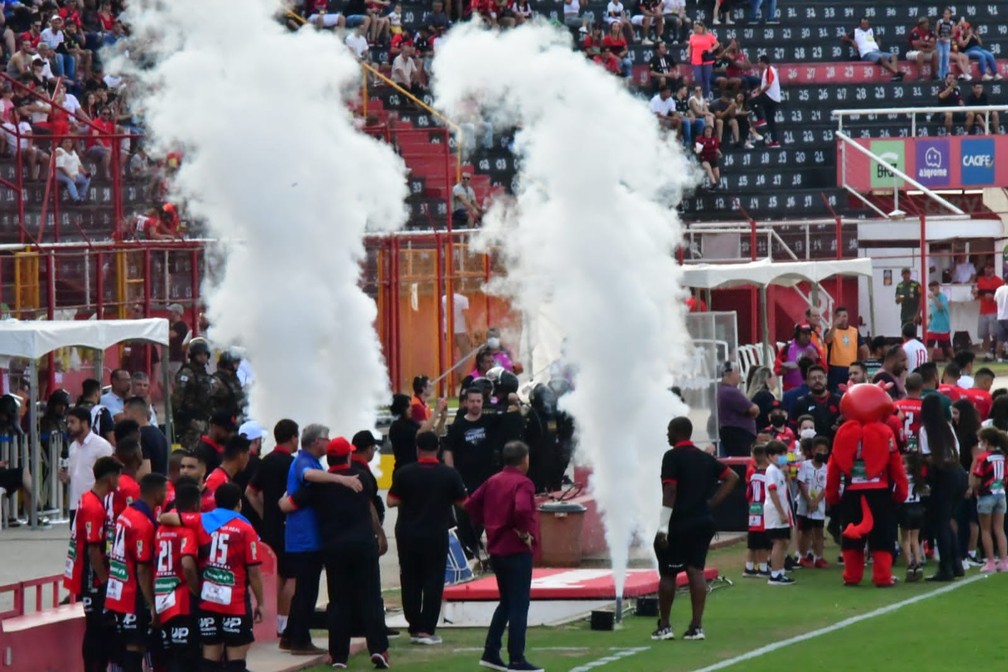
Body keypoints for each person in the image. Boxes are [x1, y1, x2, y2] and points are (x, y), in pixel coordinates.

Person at [280, 437, 391, 669]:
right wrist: (379, 534)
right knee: (371, 598)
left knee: (338, 602)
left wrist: (283, 497)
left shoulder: (318, 485)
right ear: (349, 456)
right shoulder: (362, 479)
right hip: (363, 545)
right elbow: (370, 507)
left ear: (328, 459)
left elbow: (287, 505)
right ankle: (379, 648)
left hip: (334, 548)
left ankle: (338, 655)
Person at [652, 417, 738, 638]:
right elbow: (732, 477)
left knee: (669, 573)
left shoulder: (671, 457)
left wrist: (663, 526)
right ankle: (696, 626)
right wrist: (711, 504)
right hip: (703, 521)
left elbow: (670, 491)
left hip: (680, 522)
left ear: (678, 432)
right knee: (695, 570)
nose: (666, 435)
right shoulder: (704, 458)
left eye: (669, 430)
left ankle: (665, 626)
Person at [283, 423, 364, 656]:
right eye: (326, 438)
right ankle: (299, 640)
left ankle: (290, 636)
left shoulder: (311, 462)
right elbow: (307, 476)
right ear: (316, 441)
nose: (328, 442)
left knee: (305, 591)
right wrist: (342, 480)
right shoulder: (304, 463)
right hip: (305, 539)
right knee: (307, 592)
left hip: (307, 537)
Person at [467, 441, 541, 672]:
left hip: (497, 549)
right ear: (524, 460)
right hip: (516, 550)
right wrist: (523, 533)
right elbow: (520, 509)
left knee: (507, 603)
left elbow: (470, 505)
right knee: (519, 605)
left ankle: (491, 651)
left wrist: (490, 524)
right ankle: (516, 658)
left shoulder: (494, 480)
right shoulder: (523, 483)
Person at [388, 430, 468, 644]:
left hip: (408, 533)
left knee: (410, 578)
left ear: (417, 449)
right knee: (433, 580)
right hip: (435, 533)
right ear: (438, 449)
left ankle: (413, 624)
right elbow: (463, 503)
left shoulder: (404, 473)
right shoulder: (449, 474)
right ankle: (427, 628)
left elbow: (391, 501)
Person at [826, 383, 908, 587]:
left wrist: (833, 496)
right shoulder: (885, 432)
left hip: (852, 493)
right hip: (880, 493)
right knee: (882, 535)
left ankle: (852, 575)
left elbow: (833, 467)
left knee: (852, 534)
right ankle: (882, 576)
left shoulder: (842, 433)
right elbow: (896, 465)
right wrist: (901, 493)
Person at [444, 385, 524, 555]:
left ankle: (482, 548)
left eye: (478, 401)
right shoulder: (458, 426)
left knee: (485, 517)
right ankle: (468, 551)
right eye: (472, 401)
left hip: (487, 481)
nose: (475, 404)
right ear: (466, 403)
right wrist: (452, 476)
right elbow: (448, 451)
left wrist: (514, 401)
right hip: (464, 480)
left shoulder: (491, 421)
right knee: (465, 519)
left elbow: (515, 417)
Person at [64, 456, 122, 672]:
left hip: (92, 577)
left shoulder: (91, 500)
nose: (120, 481)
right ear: (110, 478)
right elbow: (92, 549)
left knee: (102, 628)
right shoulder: (93, 507)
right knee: (96, 628)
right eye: (118, 475)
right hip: (91, 579)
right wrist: (105, 581)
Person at [105, 473, 166, 672]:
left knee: (127, 645)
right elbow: (143, 570)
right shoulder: (143, 524)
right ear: (157, 493)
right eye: (164, 490)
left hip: (117, 590)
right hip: (132, 594)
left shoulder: (125, 514)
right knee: (135, 645)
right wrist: (152, 604)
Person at [246, 418, 299, 642]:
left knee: (276, 573)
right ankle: (284, 623)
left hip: (270, 527)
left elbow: (250, 491)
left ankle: (271, 622)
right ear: (293, 438)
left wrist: (264, 514)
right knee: (293, 577)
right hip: (291, 526)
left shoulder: (265, 461)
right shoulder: (293, 464)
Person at [154, 478, 202, 672]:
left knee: (169, 655)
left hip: (162, 597)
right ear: (195, 504)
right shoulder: (187, 529)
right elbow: (188, 565)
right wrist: (196, 591)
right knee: (186, 657)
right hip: (181, 601)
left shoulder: (161, 527)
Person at [62, 406, 113, 525]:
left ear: (85, 423)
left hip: (95, 506)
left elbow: (109, 478)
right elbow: (75, 475)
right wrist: (66, 477)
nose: (69, 426)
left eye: (72, 422)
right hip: (75, 505)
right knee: (76, 543)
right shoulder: (73, 447)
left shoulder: (101, 446)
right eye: (67, 422)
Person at [971, 427, 1008, 572]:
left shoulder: (983, 457)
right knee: (999, 529)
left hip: (986, 495)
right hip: (1000, 494)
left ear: (986, 441)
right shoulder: (1002, 455)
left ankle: (990, 561)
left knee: (985, 530)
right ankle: (1004, 560)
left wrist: (973, 487)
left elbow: (978, 479)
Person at [171, 338, 214, 450]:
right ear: (193, 355)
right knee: (191, 452)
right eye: (199, 354)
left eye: (205, 354)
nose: (203, 357)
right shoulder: (187, 373)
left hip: (203, 419)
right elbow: (177, 400)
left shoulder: (203, 373)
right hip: (190, 422)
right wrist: (183, 420)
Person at [389, 393, 448, 473]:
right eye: (408, 406)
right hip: (404, 470)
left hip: (416, 469)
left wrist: (442, 419)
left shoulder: (411, 422)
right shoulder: (398, 426)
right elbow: (421, 433)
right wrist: (436, 411)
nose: (411, 408)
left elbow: (432, 435)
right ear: (402, 408)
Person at [762, 440, 795, 585]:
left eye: (784, 454)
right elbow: (773, 491)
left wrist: (787, 474)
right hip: (775, 511)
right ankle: (775, 574)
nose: (783, 457)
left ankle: (780, 571)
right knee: (778, 542)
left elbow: (788, 488)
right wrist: (781, 513)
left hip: (783, 509)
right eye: (779, 454)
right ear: (770, 456)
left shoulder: (779, 470)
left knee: (784, 541)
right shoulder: (771, 470)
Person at [796, 437, 828, 568]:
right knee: (805, 531)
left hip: (819, 505)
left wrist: (816, 501)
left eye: (825, 450)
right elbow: (801, 482)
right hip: (805, 505)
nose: (822, 453)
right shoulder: (805, 465)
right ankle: (803, 556)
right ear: (813, 451)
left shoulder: (827, 468)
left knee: (819, 532)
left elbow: (827, 486)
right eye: (819, 450)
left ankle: (818, 557)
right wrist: (809, 500)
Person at [716, 361, 758, 457]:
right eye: (738, 372)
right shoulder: (731, 392)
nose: (739, 376)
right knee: (741, 464)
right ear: (731, 374)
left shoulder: (724, 391)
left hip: (737, 434)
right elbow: (753, 409)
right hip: (739, 436)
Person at [742, 443, 771, 578]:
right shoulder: (768, 475)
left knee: (752, 541)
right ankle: (763, 568)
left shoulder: (753, 475)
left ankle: (749, 567)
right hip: (764, 510)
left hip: (754, 510)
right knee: (763, 541)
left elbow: (748, 494)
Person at [824, 306, 868, 391]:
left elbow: (864, 348)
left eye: (844, 316)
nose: (842, 318)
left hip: (850, 368)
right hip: (835, 369)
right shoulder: (829, 330)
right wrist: (834, 326)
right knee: (834, 393)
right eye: (839, 316)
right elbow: (827, 340)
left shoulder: (854, 331)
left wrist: (864, 363)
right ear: (835, 317)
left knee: (852, 391)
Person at [792, 365, 842, 439]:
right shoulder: (801, 403)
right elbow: (794, 428)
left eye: (820, 377)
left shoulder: (838, 401)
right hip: (810, 446)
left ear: (826, 379)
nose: (817, 380)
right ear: (808, 382)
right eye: (813, 378)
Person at [900, 451, 927, 582]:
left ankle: (910, 564)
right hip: (917, 507)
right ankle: (918, 562)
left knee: (905, 538)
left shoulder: (903, 476)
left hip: (905, 507)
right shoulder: (918, 477)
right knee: (915, 539)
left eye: (904, 463)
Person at [848, 16, 903, 81]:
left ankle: (896, 75)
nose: (865, 25)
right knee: (882, 58)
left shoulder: (870, 31)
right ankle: (897, 73)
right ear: (860, 24)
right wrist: (852, 41)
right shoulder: (856, 31)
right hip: (867, 54)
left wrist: (878, 43)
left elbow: (877, 38)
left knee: (894, 56)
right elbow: (844, 37)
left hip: (877, 51)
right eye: (863, 24)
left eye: (867, 23)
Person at [125, 396, 168, 477]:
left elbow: (145, 471)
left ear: (135, 413)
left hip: (149, 486)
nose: (124, 417)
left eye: (125, 412)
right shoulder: (158, 433)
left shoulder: (141, 436)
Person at [774, 324, 822, 392]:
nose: (807, 336)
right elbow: (776, 368)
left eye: (809, 334)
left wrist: (817, 357)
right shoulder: (787, 348)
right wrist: (782, 371)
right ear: (797, 334)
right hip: (790, 388)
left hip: (811, 389)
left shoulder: (814, 348)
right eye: (804, 334)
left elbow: (824, 368)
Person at [750, 55, 781, 147]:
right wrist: (758, 89)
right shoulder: (767, 71)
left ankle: (760, 119)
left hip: (770, 97)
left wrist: (759, 93)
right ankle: (775, 141)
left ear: (763, 62)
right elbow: (765, 84)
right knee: (771, 121)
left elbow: (768, 85)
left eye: (759, 62)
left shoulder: (769, 70)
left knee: (752, 102)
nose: (758, 64)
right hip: (774, 98)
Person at [974, 261, 1003, 359]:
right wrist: (975, 293)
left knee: (994, 333)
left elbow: (1002, 297)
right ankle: (988, 353)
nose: (988, 269)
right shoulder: (980, 280)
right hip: (983, 311)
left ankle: (994, 351)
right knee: (983, 334)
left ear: (993, 269)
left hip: (994, 311)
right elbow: (976, 295)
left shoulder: (999, 281)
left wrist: (993, 297)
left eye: (990, 267)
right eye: (986, 267)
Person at [894, 373, 925, 453]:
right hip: (919, 448)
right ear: (922, 387)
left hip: (899, 447)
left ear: (905, 387)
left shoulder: (895, 405)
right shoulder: (925, 407)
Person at [687, 21, 718, 99]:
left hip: (706, 60)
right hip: (696, 59)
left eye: (698, 28)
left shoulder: (709, 36)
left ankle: (706, 96)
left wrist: (712, 49)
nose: (696, 29)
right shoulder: (692, 36)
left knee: (706, 79)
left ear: (702, 28)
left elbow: (717, 44)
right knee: (698, 78)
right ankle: (698, 96)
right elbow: (690, 47)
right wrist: (688, 55)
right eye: (695, 28)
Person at [926, 281, 953, 361]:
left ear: (938, 288)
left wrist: (934, 298)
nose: (932, 291)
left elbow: (941, 308)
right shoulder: (931, 299)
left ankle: (954, 359)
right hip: (933, 326)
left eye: (933, 289)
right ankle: (929, 361)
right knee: (930, 345)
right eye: (930, 289)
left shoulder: (942, 297)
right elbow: (932, 312)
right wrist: (929, 322)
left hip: (943, 326)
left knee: (947, 346)